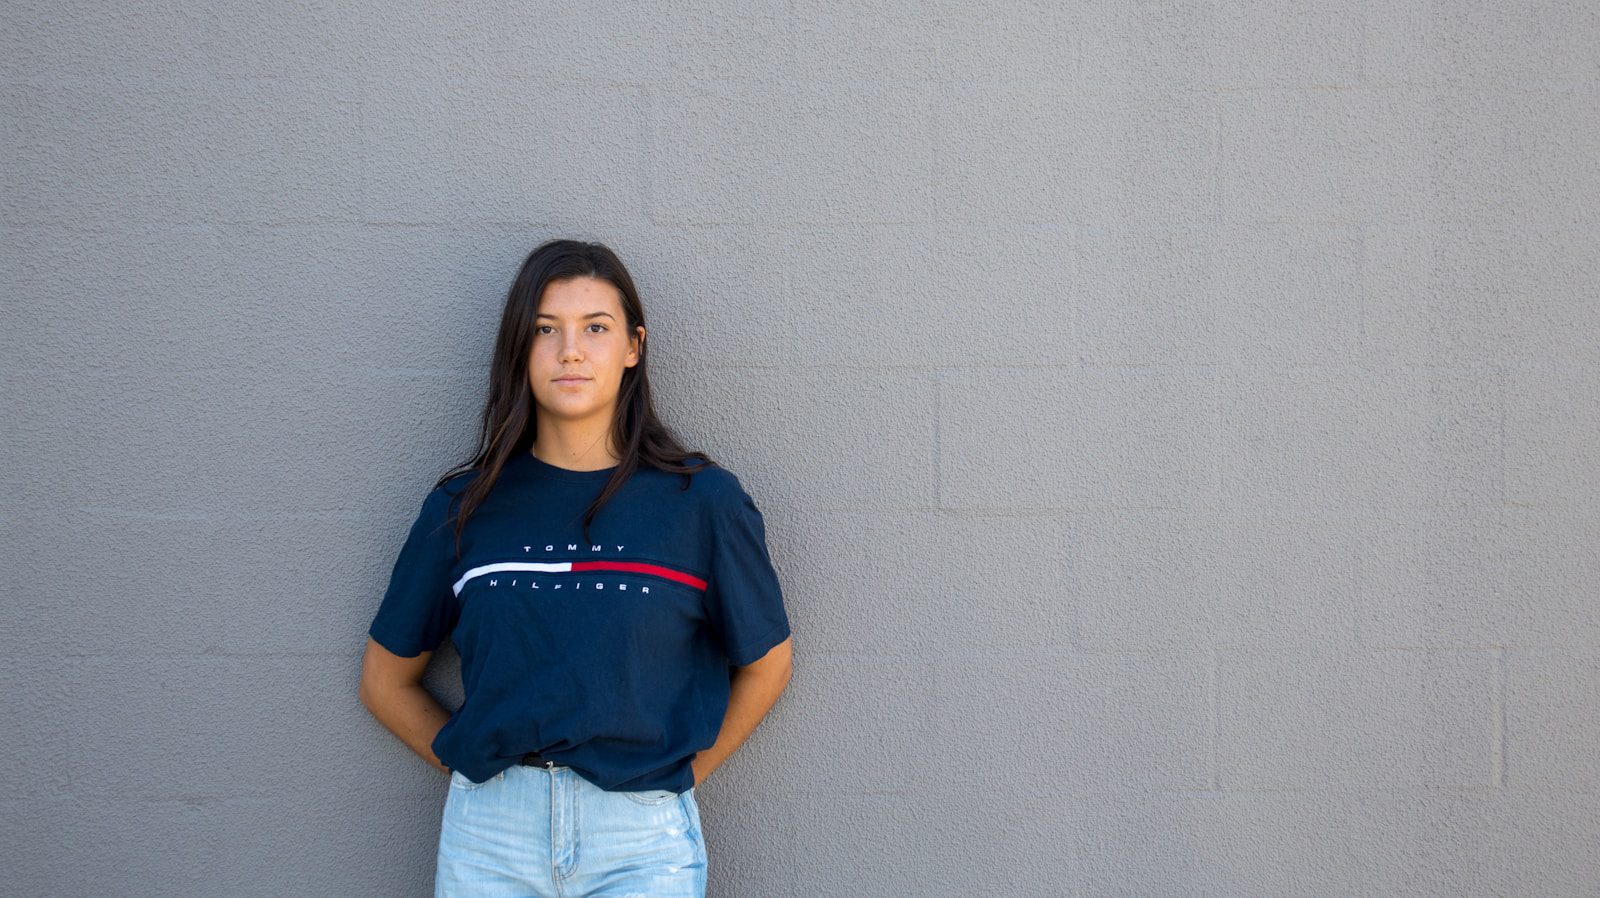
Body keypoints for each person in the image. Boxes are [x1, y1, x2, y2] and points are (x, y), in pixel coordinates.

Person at [357, 238, 794, 898]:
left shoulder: (702, 503)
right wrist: (478, 772)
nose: (570, 350)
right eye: (545, 330)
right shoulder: (464, 507)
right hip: (489, 840)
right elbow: (385, 682)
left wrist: (673, 778)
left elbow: (768, 663)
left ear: (632, 347)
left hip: (641, 842)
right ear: (520, 350)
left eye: (595, 328)